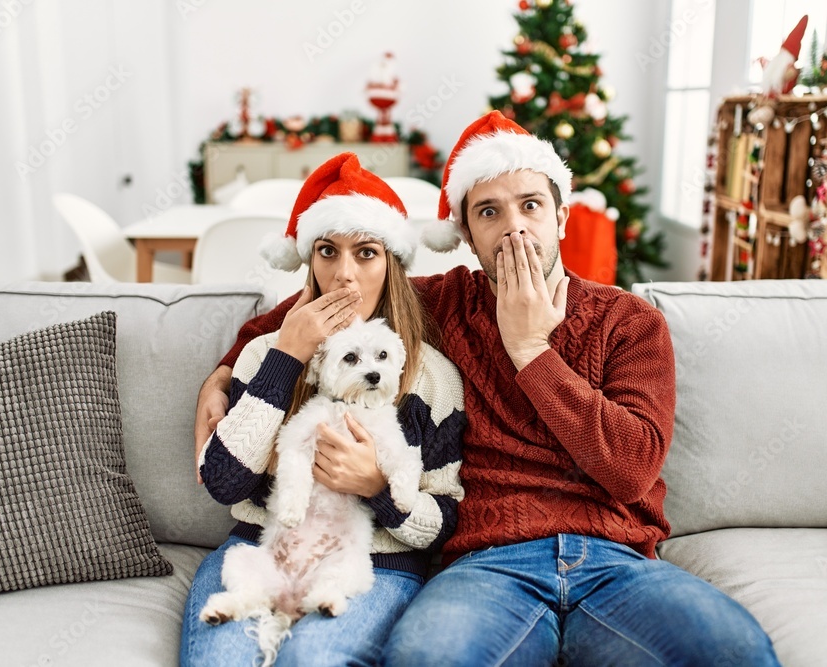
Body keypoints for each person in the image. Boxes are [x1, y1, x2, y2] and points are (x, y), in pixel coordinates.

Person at [195, 112, 780, 665]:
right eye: (490, 212)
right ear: (468, 235)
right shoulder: (446, 303)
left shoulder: (627, 322)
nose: (515, 227)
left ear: (561, 217)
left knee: (735, 651)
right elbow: (333, 305)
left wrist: (532, 353)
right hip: (489, 563)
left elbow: (631, 471)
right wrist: (223, 373)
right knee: (428, 658)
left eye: (530, 205)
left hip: (616, 561)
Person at [181, 152, 466, 667]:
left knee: (313, 659)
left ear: (392, 264)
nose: (344, 275)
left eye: (367, 253)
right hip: (265, 546)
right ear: (309, 261)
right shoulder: (263, 353)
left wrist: (379, 489)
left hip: (378, 561)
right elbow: (223, 483)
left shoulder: (432, 377)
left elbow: (444, 521)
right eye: (327, 251)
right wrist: (287, 355)